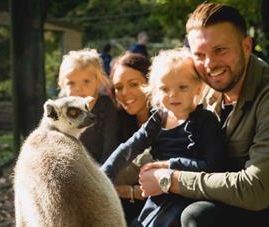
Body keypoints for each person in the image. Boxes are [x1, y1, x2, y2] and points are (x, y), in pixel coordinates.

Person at [139, 3, 269, 226]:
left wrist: (170, 179)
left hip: (258, 203)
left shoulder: (265, 94)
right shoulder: (203, 86)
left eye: (220, 50)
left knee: (197, 215)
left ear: (247, 46)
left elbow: (256, 190)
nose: (210, 64)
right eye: (199, 54)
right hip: (220, 190)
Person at [102, 48, 225, 226]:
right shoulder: (159, 119)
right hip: (158, 196)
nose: (173, 94)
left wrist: (170, 165)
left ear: (198, 88)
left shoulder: (205, 121)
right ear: (155, 91)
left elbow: (213, 167)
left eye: (182, 87)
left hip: (187, 194)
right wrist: (103, 176)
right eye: (164, 89)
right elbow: (129, 148)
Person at [109, 52, 152, 224]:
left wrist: (129, 191)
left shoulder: (168, 118)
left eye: (134, 84)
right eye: (118, 87)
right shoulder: (117, 122)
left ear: (150, 82)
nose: (125, 93)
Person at [58, 48, 119, 164]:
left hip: (101, 166)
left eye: (86, 81)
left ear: (98, 81)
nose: (78, 88)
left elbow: (110, 143)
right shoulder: (61, 108)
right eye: (71, 83)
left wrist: (104, 174)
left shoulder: (105, 105)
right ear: (62, 85)